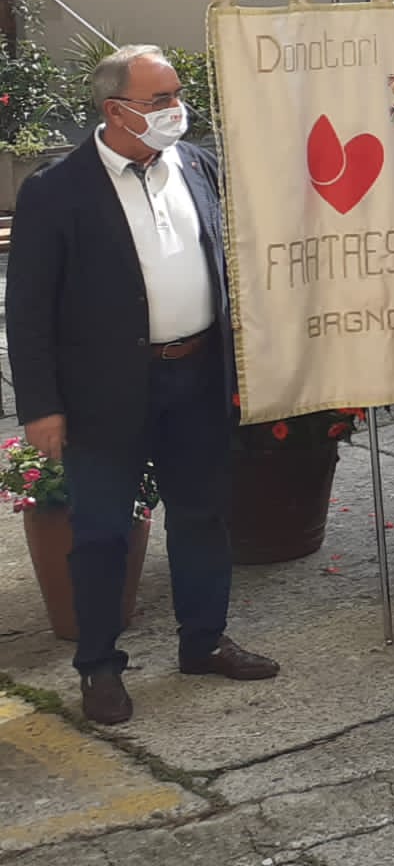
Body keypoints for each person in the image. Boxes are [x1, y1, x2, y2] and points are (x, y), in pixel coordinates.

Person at [7, 45, 278, 725]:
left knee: (202, 516)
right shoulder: (56, 190)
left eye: (177, 95)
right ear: (114, 110)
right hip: (104, 393)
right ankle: (98, 666)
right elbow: (28, 308)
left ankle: (204, 639)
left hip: (196, 375)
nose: (175, 110)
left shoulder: (196, 165)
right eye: (159, 100)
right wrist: (39, 406)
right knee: (100, 533)